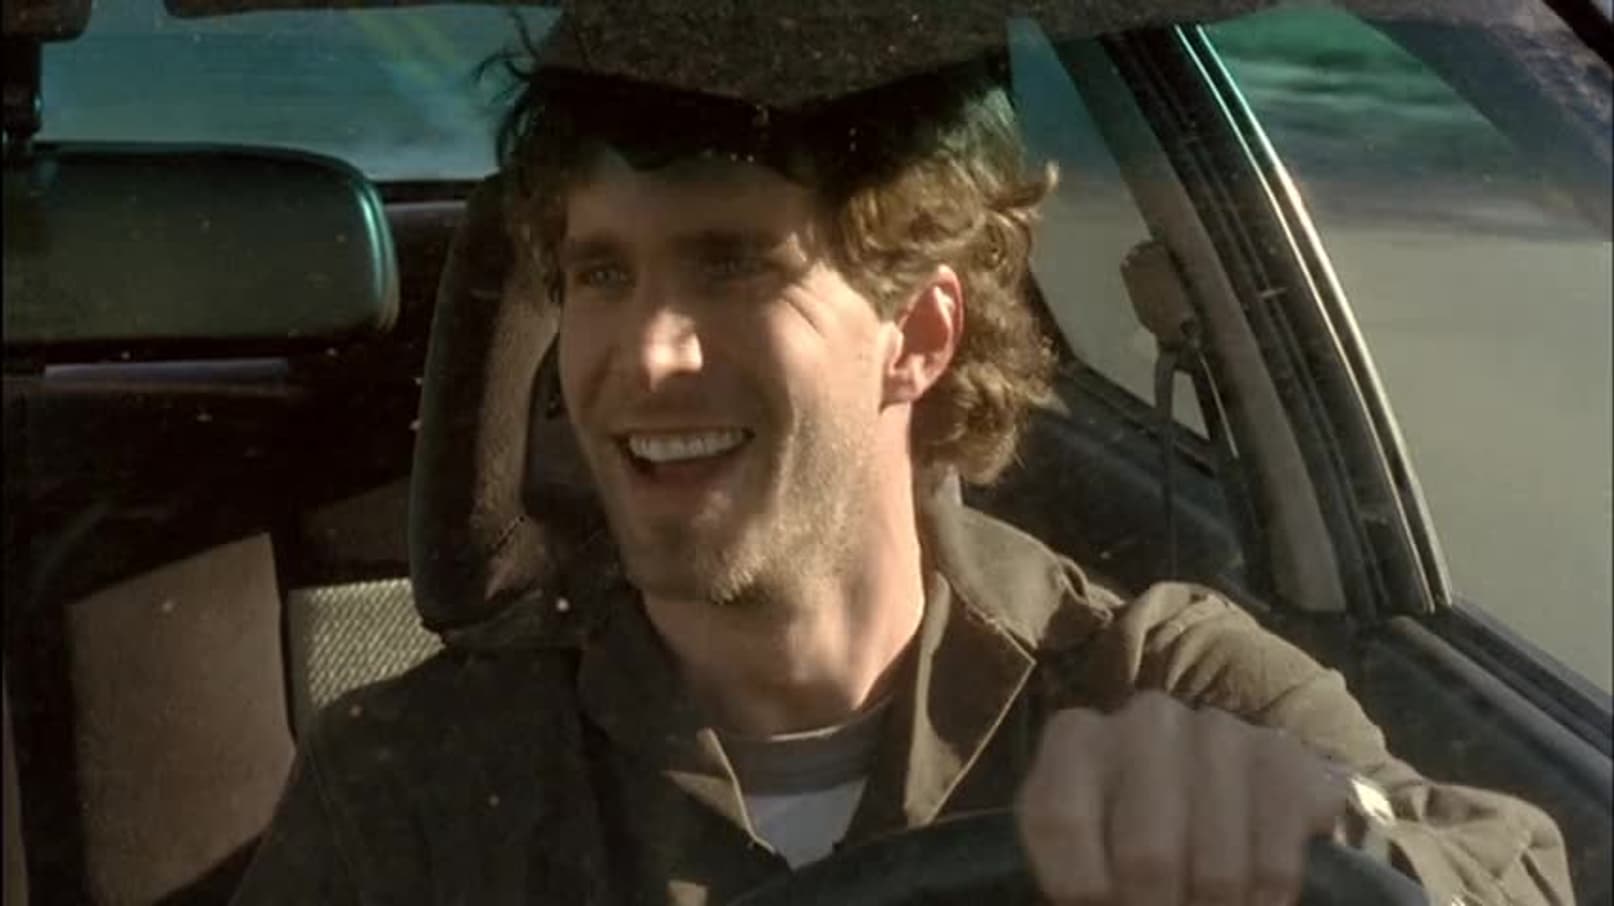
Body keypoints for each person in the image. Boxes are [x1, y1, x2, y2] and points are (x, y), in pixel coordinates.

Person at [231, 29, 1573, 906]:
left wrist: (1318, 824)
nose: (642, 350)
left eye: (731, 264)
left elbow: (1509, 866)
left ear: (918, 336)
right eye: (600, 275)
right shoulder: (413, 787)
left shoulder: (1152, 683)